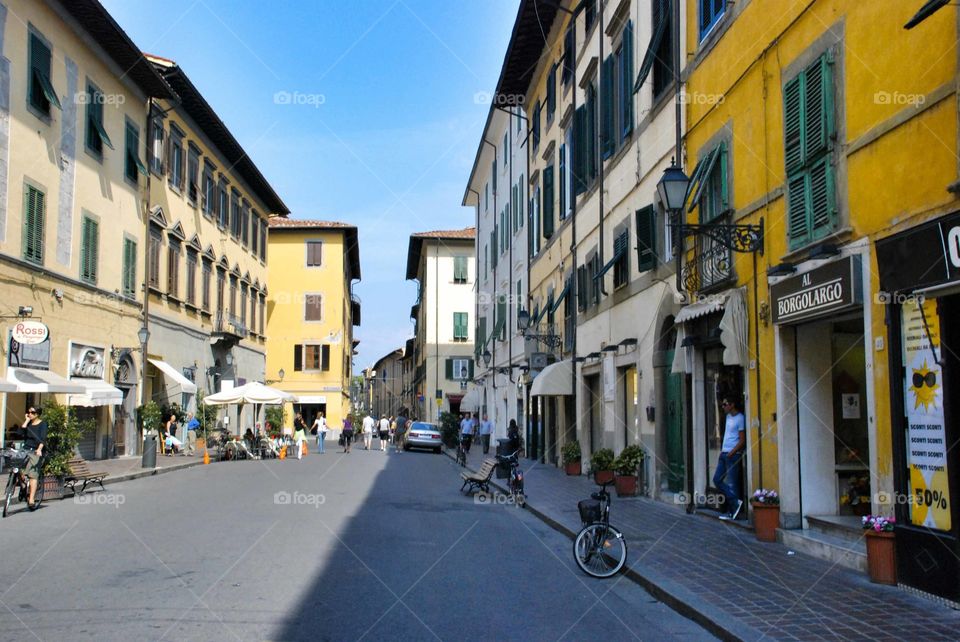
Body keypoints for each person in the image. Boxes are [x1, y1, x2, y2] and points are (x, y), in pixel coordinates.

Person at [715, 397, 746, 521]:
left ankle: (734, 512)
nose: (723, 407)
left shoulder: (740, 418)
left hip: (732, 455)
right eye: (722, 404)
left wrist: (732, 453)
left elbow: (742, 440)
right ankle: (735, 502)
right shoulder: (728, 417)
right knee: (717, 479)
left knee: (732, 483)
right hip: (724, 453)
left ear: (732, 405)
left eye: (725, 404)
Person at [20, 406, 47, 508]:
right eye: (28, 412)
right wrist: (26, 421)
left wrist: (39, 449)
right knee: (17, 469)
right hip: (25, 450)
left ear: (37, 414)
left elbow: (43, 439)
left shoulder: (43, 424)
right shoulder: (28, 423)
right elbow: (20, 434)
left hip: (36, 451)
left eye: (32, 412)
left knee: (32, 475)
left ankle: (31, 499)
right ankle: (23, 488)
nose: (29, 414)